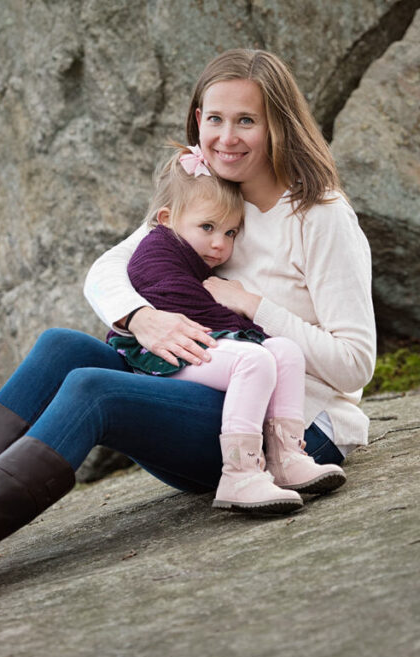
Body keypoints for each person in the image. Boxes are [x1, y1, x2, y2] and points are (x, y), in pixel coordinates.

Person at [0, 48, 376, 620]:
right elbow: (108, 270)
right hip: (207, 395)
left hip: (291, 432)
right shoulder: (209, 198)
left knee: (94, 389)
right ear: (197, 120)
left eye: (246, 120)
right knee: (62, 347)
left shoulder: (320, 217)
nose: (226, 137)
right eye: (214, 118)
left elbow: (355, 365)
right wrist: (139, 318)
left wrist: (253, 303)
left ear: (279, 123)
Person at [110, 142, 346, 514]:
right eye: (208, 227)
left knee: (285, 351)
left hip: (200, 341)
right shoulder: (156, 252)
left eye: (231, 233)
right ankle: (240, 473)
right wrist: (249, 330)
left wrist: (259, 331)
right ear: (167, 218)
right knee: (255, 360)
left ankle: (287, 456)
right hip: (165, 352)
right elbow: (189, 307)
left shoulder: (191, 251)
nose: (220, 245)